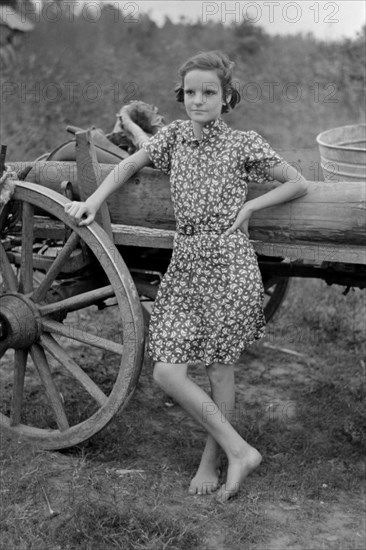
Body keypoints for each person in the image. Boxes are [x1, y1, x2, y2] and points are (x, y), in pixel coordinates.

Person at [64, 50, 308, 502]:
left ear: (226, 97)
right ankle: (242, 450)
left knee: (219, 368)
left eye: (209, 93)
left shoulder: (243, 144)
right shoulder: (174, 138)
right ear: (182, 97)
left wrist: (252, 205)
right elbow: (129, 165)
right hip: (186, 261)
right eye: (191, 93)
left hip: (229, 262)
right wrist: (94, 201)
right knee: (167, 373)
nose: (198, 100)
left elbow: (297, 181)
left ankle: (212, 461)